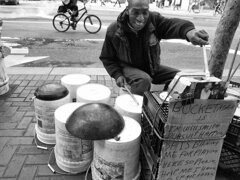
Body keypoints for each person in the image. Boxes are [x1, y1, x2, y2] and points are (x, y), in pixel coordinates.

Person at [99, 0, 209, 96]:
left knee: (180, 79)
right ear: (127, 10)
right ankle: (140, 110)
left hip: (151, 67)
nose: (141, 18)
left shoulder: (154, 21)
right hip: (127, 68)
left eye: (145, 12)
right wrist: (117, 75)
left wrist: (189, 32)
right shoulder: (114, 30)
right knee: (144, 80)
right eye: (136, 12)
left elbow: (171, 25)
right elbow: (107, 58)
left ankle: (163, 104)